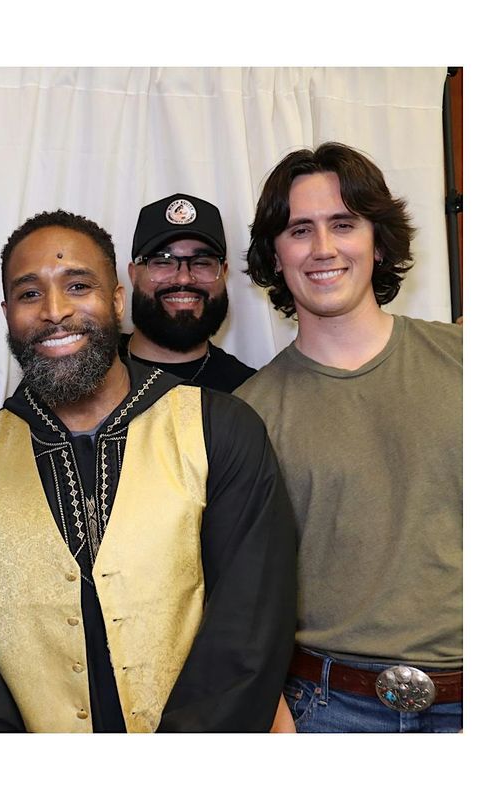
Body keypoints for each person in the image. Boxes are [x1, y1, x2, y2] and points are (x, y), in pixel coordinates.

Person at [0, 209, 297, 732]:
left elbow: (248, 626)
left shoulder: (220, 429)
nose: (55, 311)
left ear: (118, 300)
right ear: (7, 313)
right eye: (30, 294)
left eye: (78, 286)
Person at [237, 142, 462, 733]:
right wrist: (274, 716)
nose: (323, 248)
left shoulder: (467, 360)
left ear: (378, 242)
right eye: (299, 230)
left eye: (343, 224)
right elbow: (240, 595)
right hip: (327, 710)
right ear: (276, 255)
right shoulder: (247, 415)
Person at [120, 193, 255, 391]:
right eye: (163, 261)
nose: (183, 278)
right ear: (133, 274)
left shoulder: (249, 392)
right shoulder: (93, 373)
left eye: (202, 262)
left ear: (224, 273)